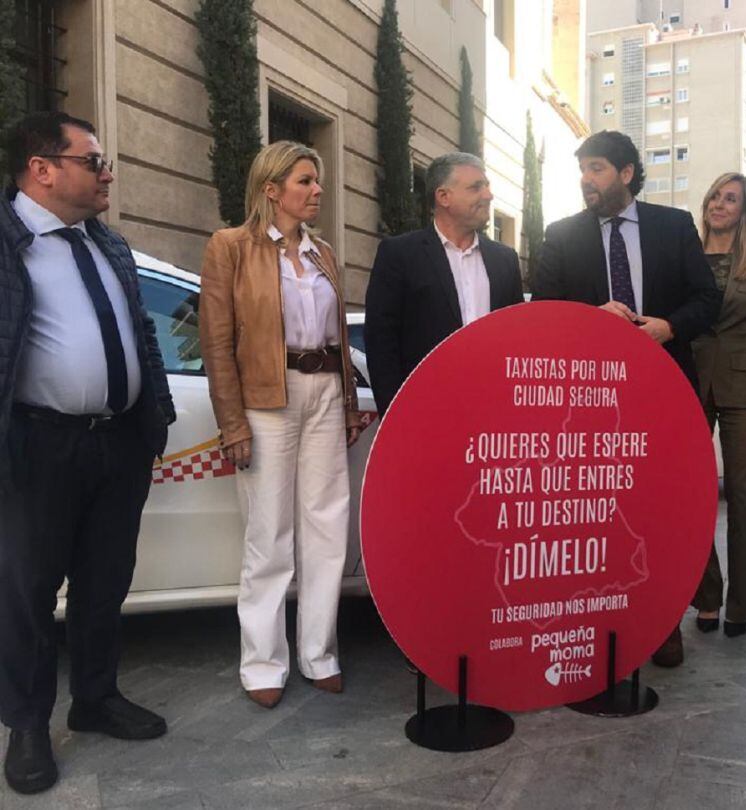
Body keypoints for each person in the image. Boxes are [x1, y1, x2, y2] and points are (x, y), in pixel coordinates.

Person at [0, 112, 175, 795]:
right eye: (92, 159)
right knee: (27, 594)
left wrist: (150, 419)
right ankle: (27, 725)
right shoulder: (7, 244)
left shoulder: (107, 244)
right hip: (38, 447)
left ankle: (96, 699)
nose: (106, 172)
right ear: (42, 168)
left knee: (105, 585)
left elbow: (143, 336)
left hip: (117, 444)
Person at [532, 129, 721, 667]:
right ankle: (597, 622)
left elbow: (708, 299)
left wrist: (667, 325)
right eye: (583, 171)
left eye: (596, 168)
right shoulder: (562, 234)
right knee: (601, 514)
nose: (586, 180)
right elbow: (541, 309)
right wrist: (589, 318)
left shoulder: (673, 226)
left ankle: (661, 624)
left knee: (659, 509)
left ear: (627, 173)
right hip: (590, 401)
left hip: (663, 392)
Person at [200, 141, 364, 709]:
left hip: (324, 391)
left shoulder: (322, 253)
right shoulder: (230, 248)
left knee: (326, 529)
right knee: (268, 534)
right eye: (305, 181)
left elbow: (338, 338)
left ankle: (320, 653)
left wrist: (345, 404)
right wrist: (232, 425)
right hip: (266, 400)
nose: (317, 190)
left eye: (316, 181)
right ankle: (263, 662)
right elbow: (218, 345)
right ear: (272, 190)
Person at [690, 173, 746, 638]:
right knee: (690, 495)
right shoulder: (683, 255)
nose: (719, 204)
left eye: (731, 199)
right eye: (715, 195)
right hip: (688, 384)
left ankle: (739, 607)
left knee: (744, 500)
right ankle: (706, 595)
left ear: (744, 213)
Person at [365, 152, 525, 417]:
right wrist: (396, 415)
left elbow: (517, 339)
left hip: (493, 411)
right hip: (425, 411)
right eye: (476, 187)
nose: (488, 195)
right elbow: (381, 343)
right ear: (443, 197)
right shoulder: (400, 254)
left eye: (487, 186)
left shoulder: (504, 260)